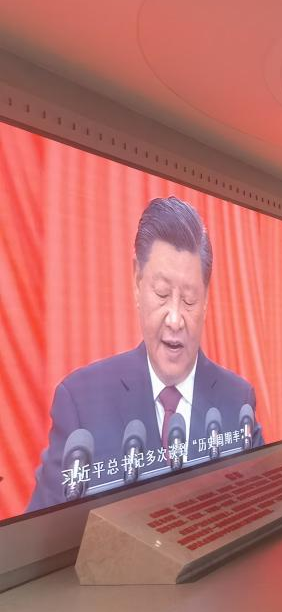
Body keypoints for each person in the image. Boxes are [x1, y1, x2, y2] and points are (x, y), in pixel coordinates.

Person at [30, 197, 261, 512]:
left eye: (190, 300)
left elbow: (261, 510)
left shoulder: (238, 400)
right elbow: (42, 536)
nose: (175, 319)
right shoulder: (81, 401)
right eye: (162, 294)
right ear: (137, 282)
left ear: (206, 300)